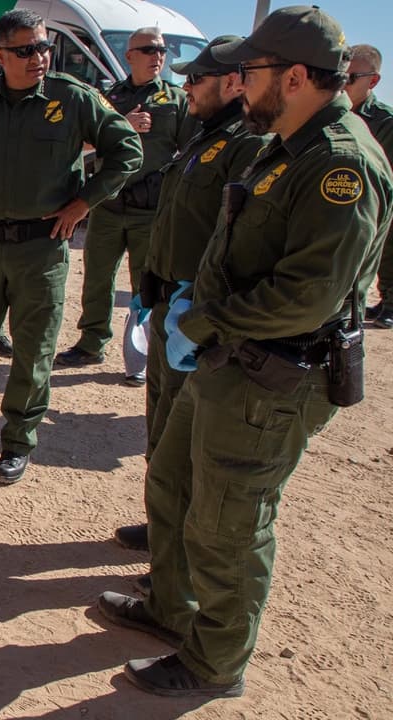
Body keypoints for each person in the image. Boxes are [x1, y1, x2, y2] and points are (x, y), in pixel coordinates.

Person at [96, 6, 392, 697]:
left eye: (248, 72)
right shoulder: (285, 143)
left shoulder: (338, 165)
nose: (237, 83)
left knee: (228, 522)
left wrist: (204, 320)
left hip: (272, 376)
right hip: (231, 359)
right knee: (174, 482)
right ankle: (173, 611)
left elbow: (307, 298)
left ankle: (214, 663)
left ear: (292, 77)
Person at [0, 8, 142, 484]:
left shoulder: (74, 97)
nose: (38, 57)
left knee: (33, 350)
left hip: (42, 250)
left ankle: (18, 440)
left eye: (43, 47)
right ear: (0, 55)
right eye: (25, 50)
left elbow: (127, 151)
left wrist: (84, 203)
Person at [110, 38, 268, 555]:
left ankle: (176, 553)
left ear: (232, 82)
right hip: (168, 308)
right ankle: (163, 524)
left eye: (195, 79)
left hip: (196, 318)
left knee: (188, 443)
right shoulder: (206, 137)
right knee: (162, 429)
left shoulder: (247, 145)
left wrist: (196, 309)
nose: (184, 87)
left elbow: (242, 244)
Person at [57, 27, 191, 385]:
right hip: (109, 204)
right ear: (129, 56)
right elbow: (84, 142)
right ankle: (91, 342)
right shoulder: (108, 98)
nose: (157, 56)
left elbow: (192, 152)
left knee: (146, 285)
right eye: (148, 50)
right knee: (98, 277)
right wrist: (122, 125)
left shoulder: (176, 101)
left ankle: (142, 356)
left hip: (151, 209)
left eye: (162, 50)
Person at [345, 44, 393, 328]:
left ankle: (390, 301)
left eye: (351, 78)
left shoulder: (384, 120)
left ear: (372, 81)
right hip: (353, 197)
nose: (343, 83)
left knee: (387, 247)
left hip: (380, 198)